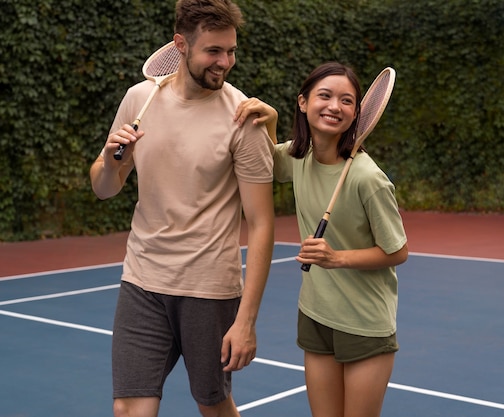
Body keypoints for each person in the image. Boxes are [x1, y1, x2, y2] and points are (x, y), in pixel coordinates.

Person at [89, 1, 275, 416]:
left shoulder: (243, 117)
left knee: (212, 405)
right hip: (142, 279)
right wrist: (110, 160)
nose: (224, 62)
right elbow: (104, 188)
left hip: (208, 289)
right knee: (127, 408)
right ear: (181, 45)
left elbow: (261, 224)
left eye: (231, 51)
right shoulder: (139, 100)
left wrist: (245, 321)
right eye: (213, 51)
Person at [235, 62, 409, 417]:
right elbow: (267, 162)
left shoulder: (367, 178)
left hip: (364, 322)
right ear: (303, 102)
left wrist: (337, 258)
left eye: (346, 101)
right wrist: (270, 118)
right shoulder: (300, 157)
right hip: (315, 313)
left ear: (356, 113)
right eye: (325, 96)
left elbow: (397, 251)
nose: (334, 106)